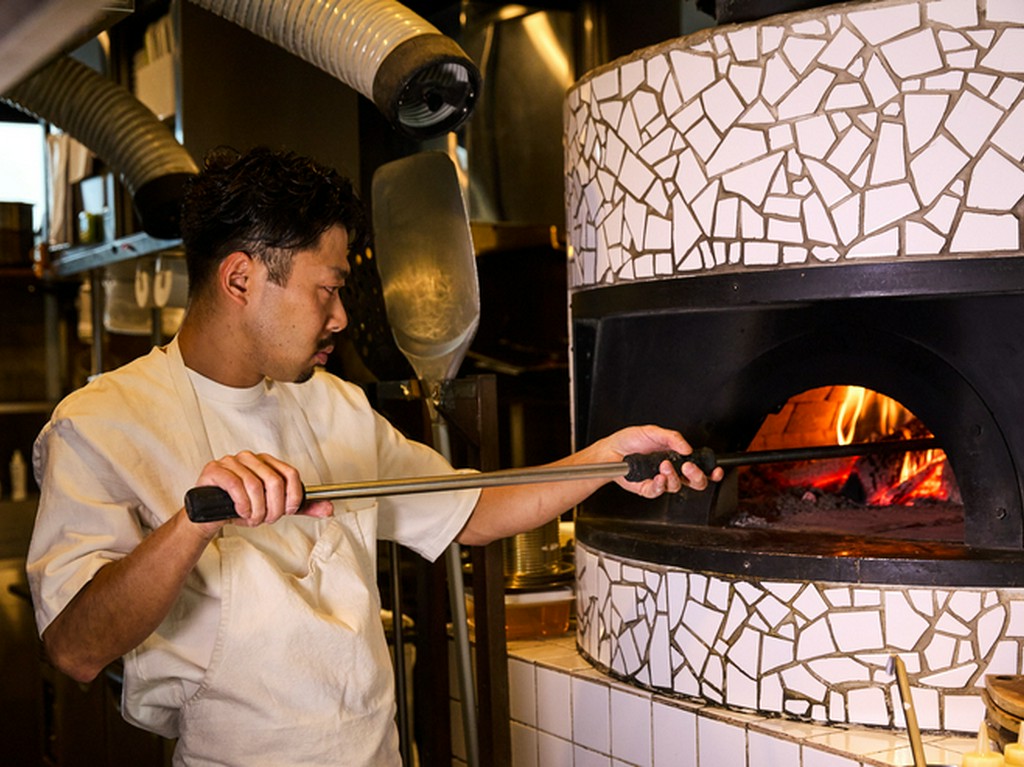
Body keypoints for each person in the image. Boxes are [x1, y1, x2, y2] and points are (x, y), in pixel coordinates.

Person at [26, 146, 722, 766]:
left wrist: (604, 458)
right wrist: (194, 523)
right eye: (326, 290)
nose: (338, 318)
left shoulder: (333, 405)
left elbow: (472, 507)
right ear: (240, 279)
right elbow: (76, 648)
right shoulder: (101, 423)